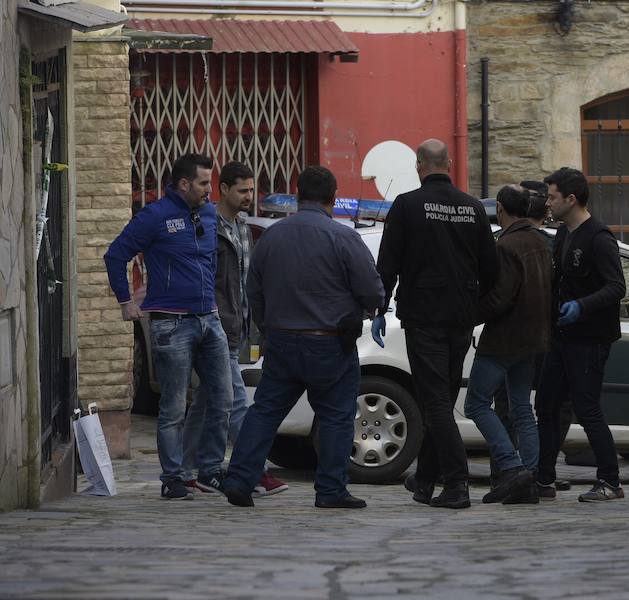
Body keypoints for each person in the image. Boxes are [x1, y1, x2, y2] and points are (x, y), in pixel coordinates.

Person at [221, 166, 384, 509]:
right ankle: (330, 489)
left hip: (282, 339)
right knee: (338, 416)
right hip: (330, 341)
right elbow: (372, 291)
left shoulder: (273, 237)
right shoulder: (343, 237)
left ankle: (239, 479)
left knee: (265, 411)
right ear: (333, 198)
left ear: (297, 196)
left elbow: (253, 289)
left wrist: (268, 328)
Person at [373, 138, 498, 509]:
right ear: (449, 163)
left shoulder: (408, 206)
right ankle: (425, 480)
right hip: (460, 319)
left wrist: (379, 306)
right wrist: (476, 306)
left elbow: (388, 263)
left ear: (419, 166)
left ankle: (457, 484)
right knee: (440, 399)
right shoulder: (474, 208)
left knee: (435, 403)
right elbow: (491, 270)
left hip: (424, 317)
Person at [104, 153, 231, 500]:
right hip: (171, 324)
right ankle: (172, 477)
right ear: (184, 184)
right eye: (204, 183)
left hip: (209, 319)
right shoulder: (155, 216)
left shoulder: (208, 212)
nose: (210, 190)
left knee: (223, 397)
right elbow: (115, 254)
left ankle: (209, 471)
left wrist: (215, 305)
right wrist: (124, 300)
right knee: (174, 405)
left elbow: (211, 260)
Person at [181, 161, 288, 498]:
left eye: (251, 190)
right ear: (223, 189)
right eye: (242, 190)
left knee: (207, 400)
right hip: (213, 327)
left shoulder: (242, 227)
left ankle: (187, 470)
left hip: (236, 327)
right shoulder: (208, 226)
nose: (248, 196)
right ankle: (254, 469)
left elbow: (246, 282)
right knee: (235, 400)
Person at [535, 167, 626, 503]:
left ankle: (610, 481)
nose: (548, 203)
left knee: (587, 409)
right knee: (545, 406)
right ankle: (543, 478)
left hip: (590, 338)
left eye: (553, 197)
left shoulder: (599, 237)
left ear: (571, 199)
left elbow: (617, 287)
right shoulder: (563, 234)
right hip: (561, 338)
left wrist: (582, 306)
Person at [463, 184, 552, 505]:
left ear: (500, 207)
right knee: (521, 410)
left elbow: (500, 297)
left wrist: (468, 315)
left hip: (505, 339)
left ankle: (514, 467)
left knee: (475, 403)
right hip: (533, 339)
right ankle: (529, 476)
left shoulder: (508, 245)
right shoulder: (540, 242)